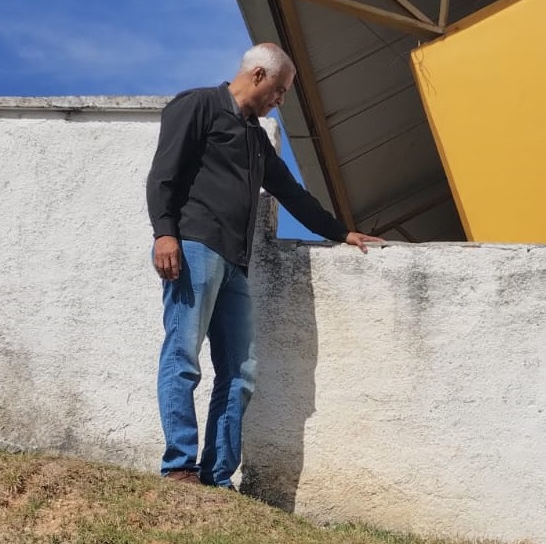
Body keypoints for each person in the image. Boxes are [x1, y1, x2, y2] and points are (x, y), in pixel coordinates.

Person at [146, 43, 382, 488]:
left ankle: (215, 477)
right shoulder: (197, 106)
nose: (280, 100)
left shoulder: (256, 139)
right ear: (258, 75)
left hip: (236, 264)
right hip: (193, 247)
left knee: (241, 371)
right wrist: (164, 233)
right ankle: (179, 466)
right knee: (183, 356)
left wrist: (341, 232)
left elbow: (292, 195)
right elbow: (163, 174)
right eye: (280, 90)